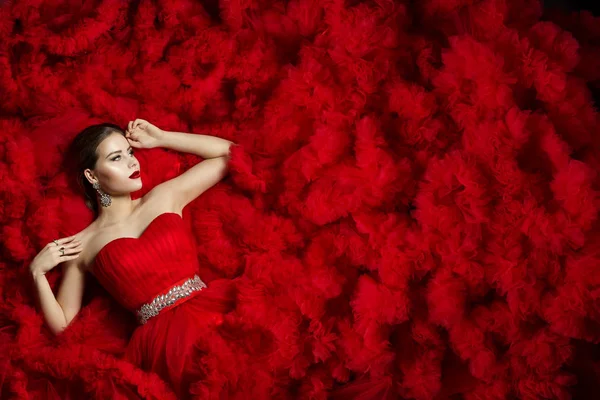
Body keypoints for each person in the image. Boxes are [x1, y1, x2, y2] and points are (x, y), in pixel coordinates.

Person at [28, 119, 238, 398]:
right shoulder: (84, 243)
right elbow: (63, 324)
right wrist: (37, 274)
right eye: (117, 157)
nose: (131, 163)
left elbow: (231, 154)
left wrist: (162, 138)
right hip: (162, 349)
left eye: (130, 152)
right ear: (92, 176)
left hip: (214, 316)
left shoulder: (164, 196)